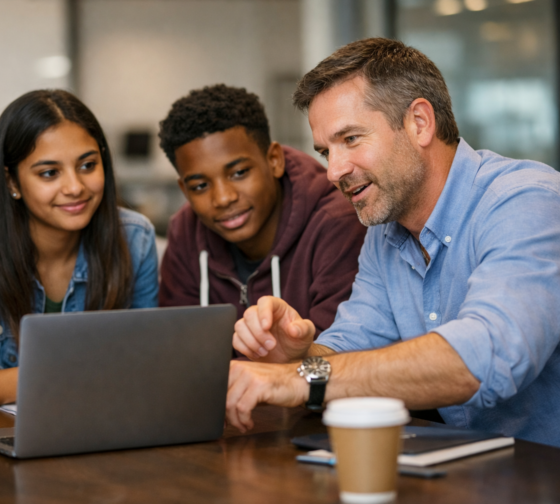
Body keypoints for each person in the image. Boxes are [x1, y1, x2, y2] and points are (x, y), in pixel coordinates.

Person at [226, 38, 560, 447]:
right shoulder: (384, 233)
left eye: (350, 139)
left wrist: (298, 379)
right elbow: (351, 349)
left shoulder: (528, 200)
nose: (333, 171)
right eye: (325, 151)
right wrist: (296, 355)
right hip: (473, 472)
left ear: (419, 122)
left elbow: (484, 356)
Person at [0, 90, 159, 409]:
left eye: (87, 165)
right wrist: (62, 377)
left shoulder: (134, 237)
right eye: (49, 173)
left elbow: (149, 359)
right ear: (12, 181)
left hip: (104, 420)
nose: (75, 187)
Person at [157, 84, 366, 334]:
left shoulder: (336, 222)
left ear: (274, 160)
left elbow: (335, 353)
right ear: (184, 190)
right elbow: (181, 346)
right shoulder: (185, 233)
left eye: (239, 172)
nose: (223, 198)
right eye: (200, 186)